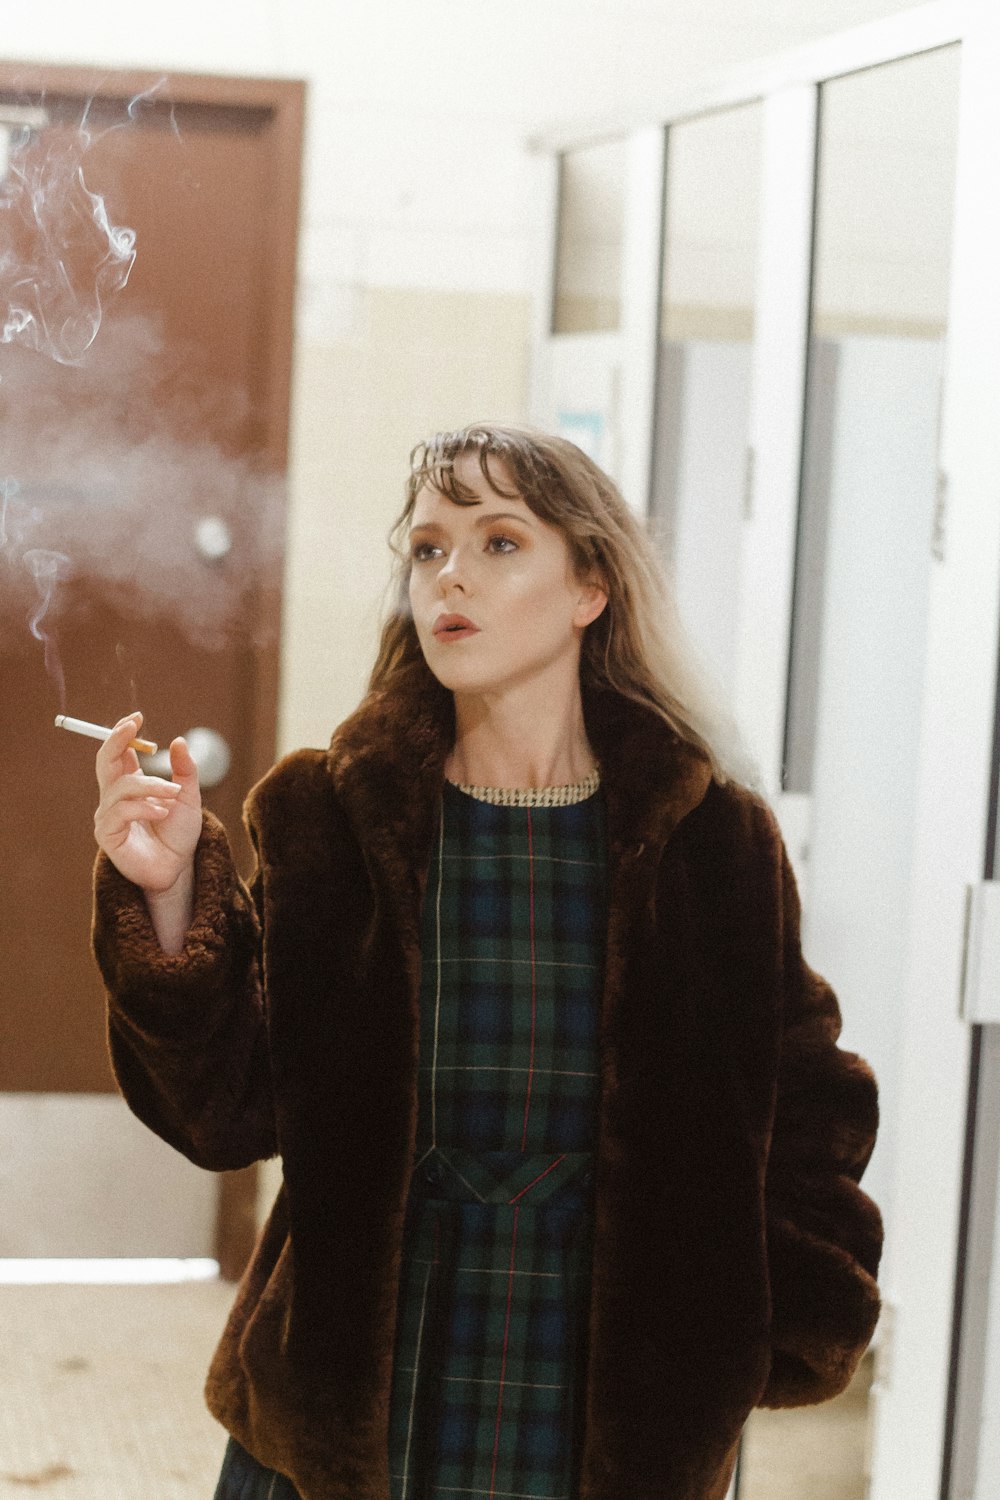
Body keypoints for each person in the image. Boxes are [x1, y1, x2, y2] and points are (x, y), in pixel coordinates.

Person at [91, 422, 883, 1500]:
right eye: (426, 548)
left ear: (590, 586)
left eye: (499, 541)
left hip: (614, 1425)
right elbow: (227, 1111)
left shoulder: (709, 840)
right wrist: (171, 891)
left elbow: (806, 1107)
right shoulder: (327, 814)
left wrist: (770, 1332)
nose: (449, 574)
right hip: (352, 1416)